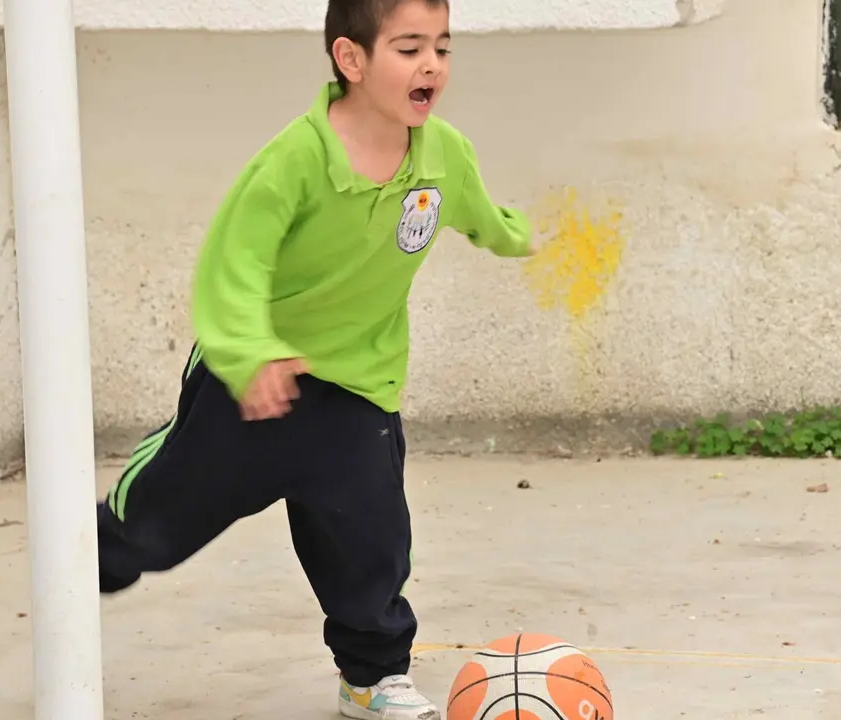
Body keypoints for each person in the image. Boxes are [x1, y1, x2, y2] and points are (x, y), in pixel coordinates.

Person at [95, 0, 532, 717]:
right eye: (410, 47)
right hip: (257, 386)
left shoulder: (443, 154)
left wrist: (520, 236)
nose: (432, 65)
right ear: (351, 60)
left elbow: (478, 210)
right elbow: (231, 266)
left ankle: (371, 679)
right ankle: (90, 558)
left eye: (442, 48)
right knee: (155, 533)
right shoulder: (293, 161)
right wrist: (248, 353)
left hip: (360, 387)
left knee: (373, 543)